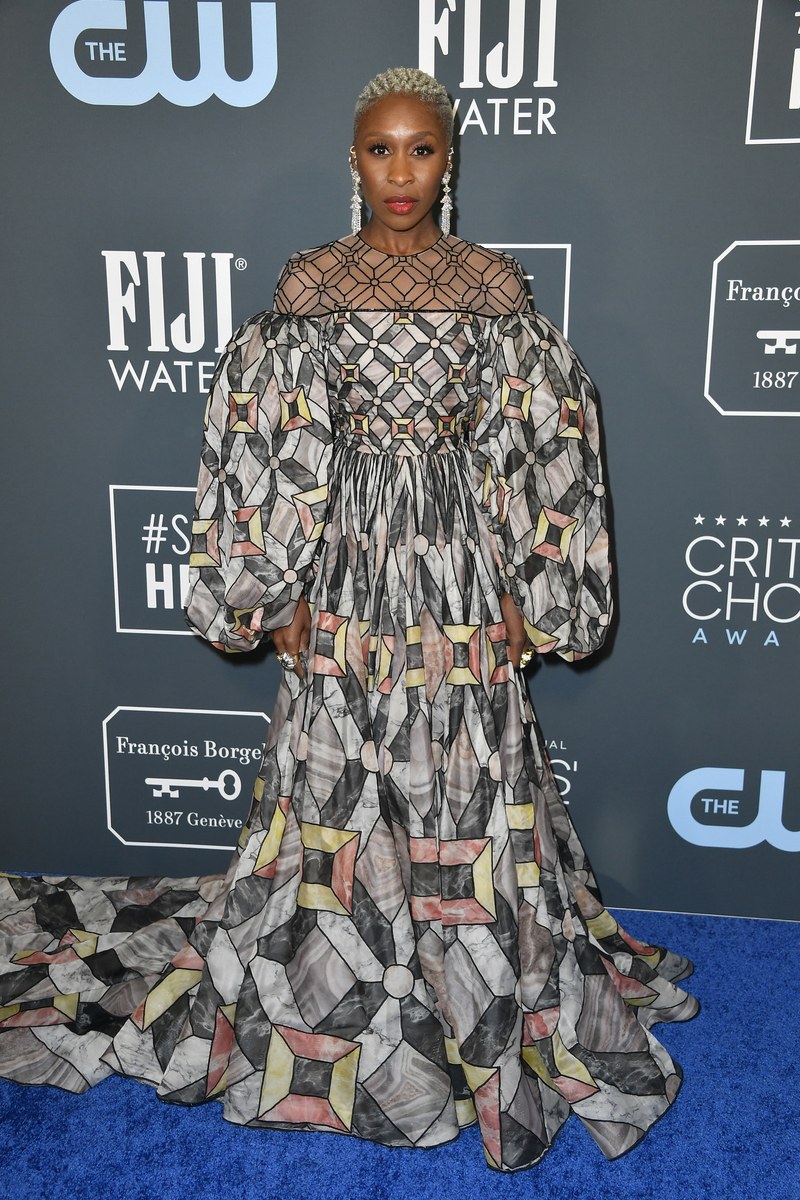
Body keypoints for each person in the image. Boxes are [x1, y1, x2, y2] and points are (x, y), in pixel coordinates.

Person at [0, 67, 698, 1172]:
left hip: (460, 567)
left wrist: (533, 590)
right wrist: (266, 588)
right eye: (381, 150)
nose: (401, 172)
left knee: (469, 775)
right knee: (328, 780)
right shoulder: (310, 285)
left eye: (422, 150)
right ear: (352, 160)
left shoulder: (493, 289)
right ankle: (331, 980)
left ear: (449, 159)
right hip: (345, 567)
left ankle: (473, 979)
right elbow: (260, 440)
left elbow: (541, 447)